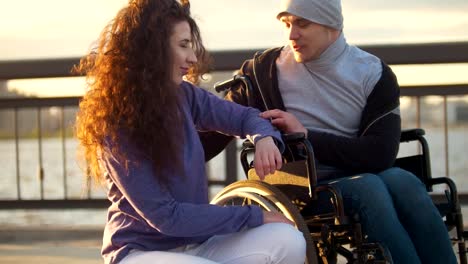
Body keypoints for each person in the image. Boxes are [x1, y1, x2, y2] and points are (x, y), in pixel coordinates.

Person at [200, 0, 457, 263]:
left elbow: (380, 155)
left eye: (302, 23)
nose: (292, 35)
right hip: (302, 186)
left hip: (366, 171)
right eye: (287, 24)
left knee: (406, 183)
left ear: (330, 25)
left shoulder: (373, 74)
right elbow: (217, 127)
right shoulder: (261, 72)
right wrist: (168, 159)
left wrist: (307, 135)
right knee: (371, 188)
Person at [74, 1, 307, 264]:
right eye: (183, 45)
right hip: (140, 253)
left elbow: (245, 116)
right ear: (153, 49)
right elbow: (167, 217)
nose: (193, 58)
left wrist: (265, 138)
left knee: (289, 241)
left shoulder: (185, 96)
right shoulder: (116, 125)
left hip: (197, 245)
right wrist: (255, 215)